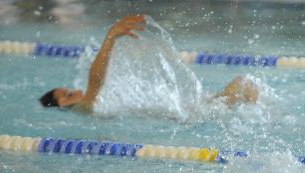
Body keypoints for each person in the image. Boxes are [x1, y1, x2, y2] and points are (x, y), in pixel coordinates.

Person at [39, 15, 259, 113]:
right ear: (63, 107)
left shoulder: (94, 108)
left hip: (179, 113)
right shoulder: (83, 109)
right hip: (179, 118)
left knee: (242, 87)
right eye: (68, 96)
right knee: (242, 86)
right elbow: (95, 82)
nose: (76, 91)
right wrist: (110, 38)